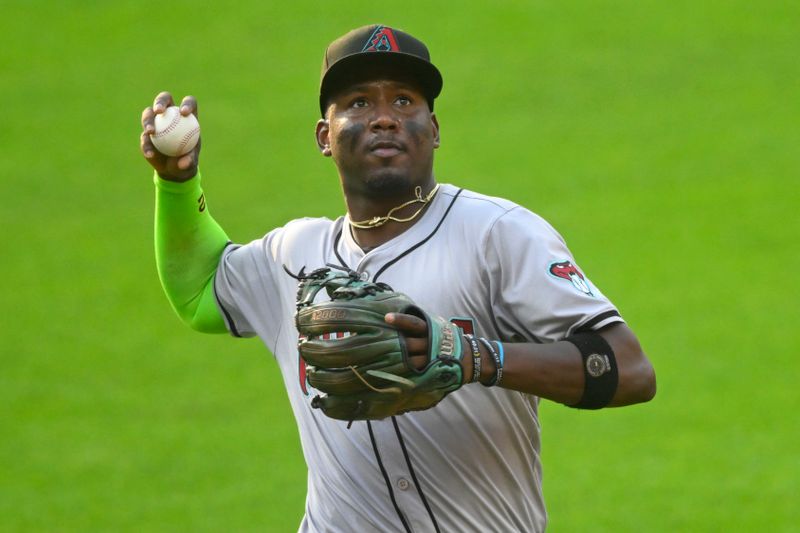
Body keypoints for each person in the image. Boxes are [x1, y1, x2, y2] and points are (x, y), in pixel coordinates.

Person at [140, 24, 656, 533]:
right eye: (360, 103)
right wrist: (177, 183)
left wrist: (475, 356)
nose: (385, 118)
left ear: (433, 130)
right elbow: (200, 287)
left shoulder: (497, 236)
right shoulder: (293, 256)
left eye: (405, 101)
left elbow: (630, 370)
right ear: (325, 135)